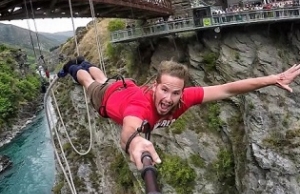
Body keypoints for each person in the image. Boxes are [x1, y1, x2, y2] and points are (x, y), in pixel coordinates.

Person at [57, 57, 300, 170]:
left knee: (104, 77)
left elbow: (227, 89)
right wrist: (135, 142)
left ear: (182, 92)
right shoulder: (140, 107)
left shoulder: (185, 98)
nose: (168, 99)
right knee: (90, 82)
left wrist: (272, 79)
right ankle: (74, 66)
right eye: (164, 90)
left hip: (124, 85)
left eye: (175, 93)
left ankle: (83, 62)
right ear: (154, 85)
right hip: (107, 98)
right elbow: (129, 129)